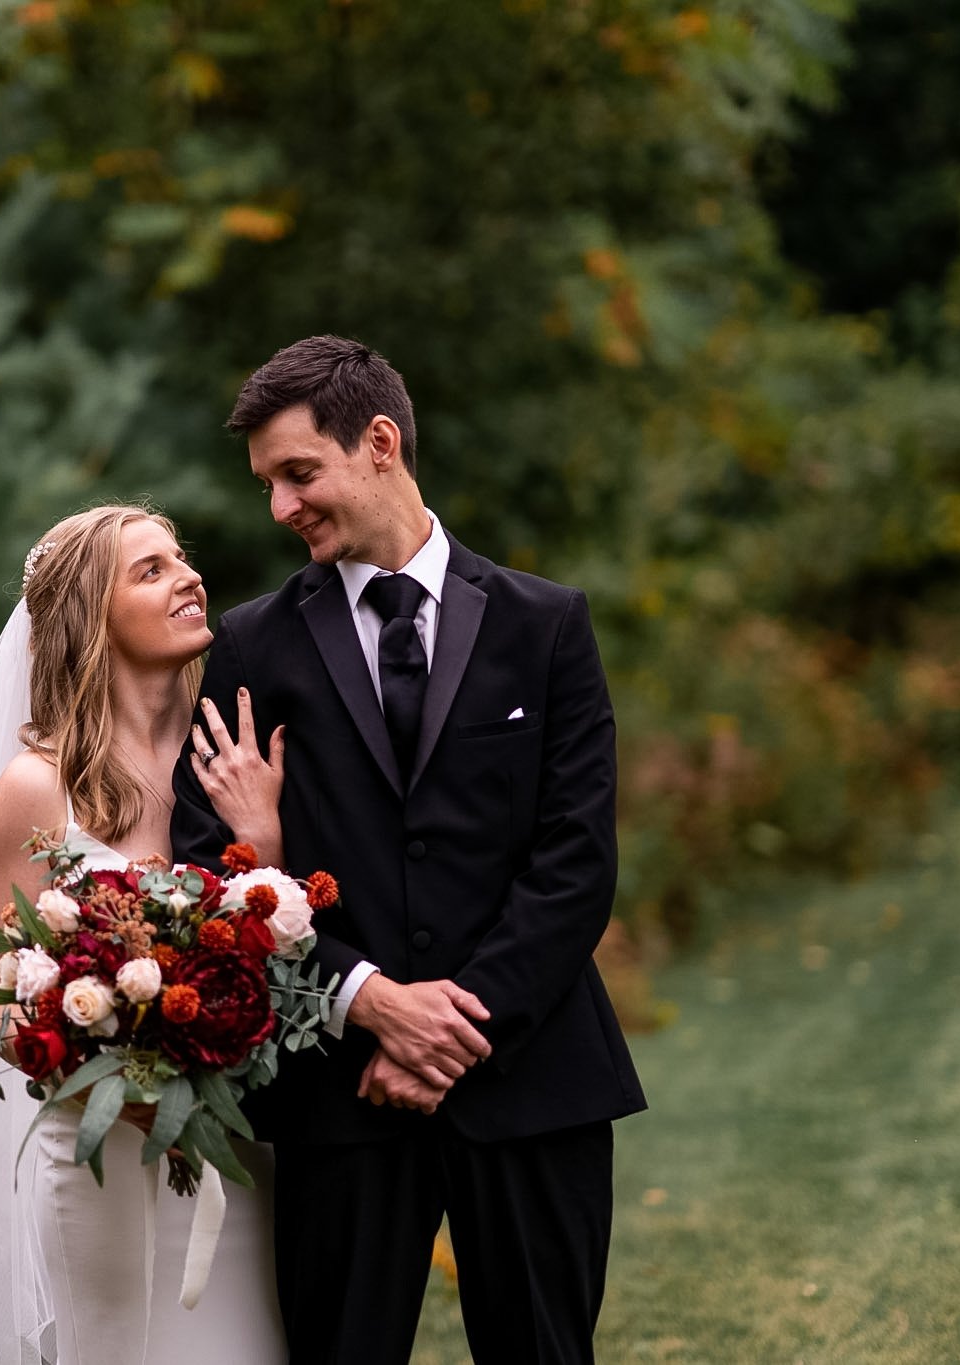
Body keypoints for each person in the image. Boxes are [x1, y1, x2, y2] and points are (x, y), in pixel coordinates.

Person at [170, 336, 647, 1365]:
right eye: (265, 484)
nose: (278, 508)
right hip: (335, 1098)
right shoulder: (250, 647)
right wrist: (370, 1004)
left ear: (378, 442)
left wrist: (452, 1031)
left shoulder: (545, 624)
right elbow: (210, 867)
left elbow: (575, 861)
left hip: (531, 1083)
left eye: (298, 473)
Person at [0, 505, 291, 1365]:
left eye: (182, 559)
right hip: (100, 1153)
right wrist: (95, 1065)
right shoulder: (37, 791)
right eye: (151, 569)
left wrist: (266, 838)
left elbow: (274, 946)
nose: (188, 576)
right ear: (89, 619)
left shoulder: (224, 759)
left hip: (231, 1144)